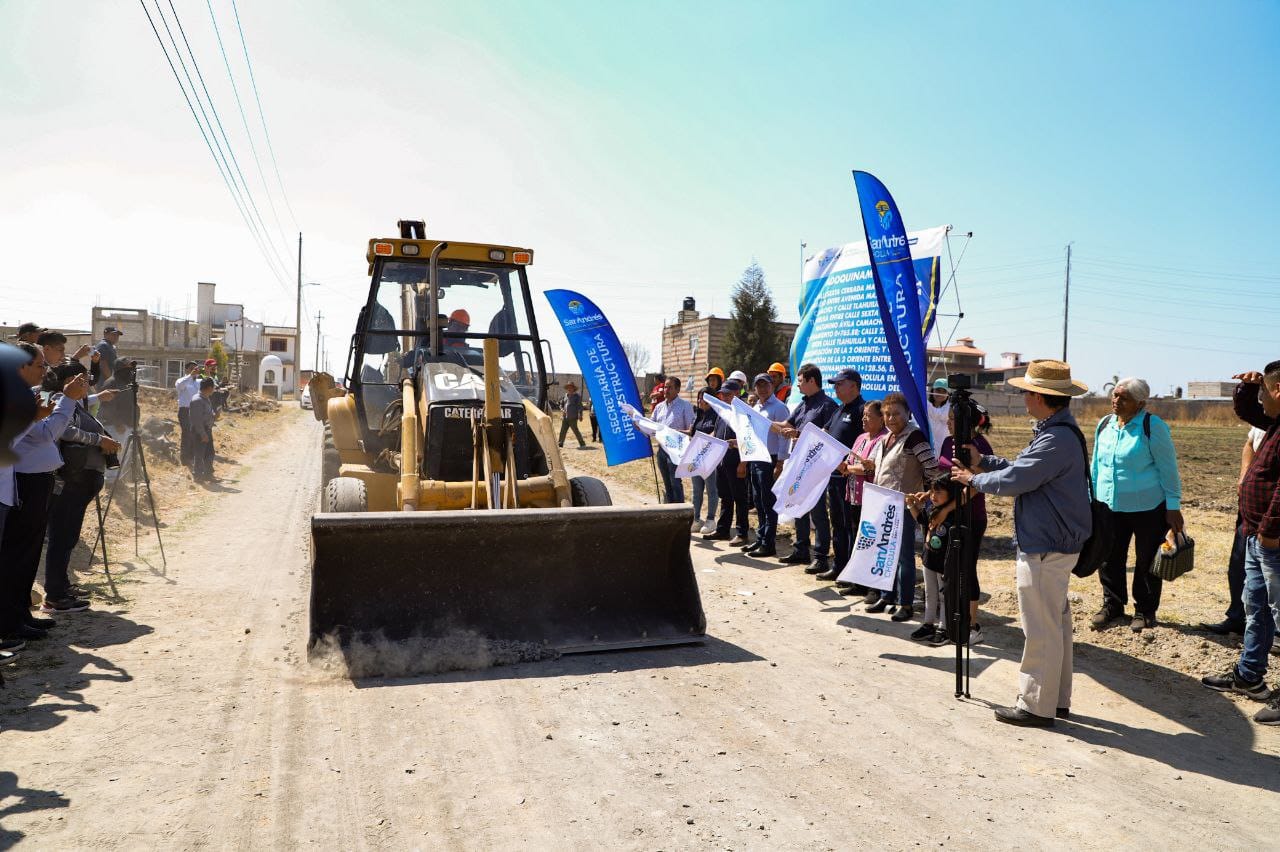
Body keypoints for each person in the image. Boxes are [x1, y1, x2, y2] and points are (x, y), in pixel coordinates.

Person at [951, 359, 1091, 727]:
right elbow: (1021, 468)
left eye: (1028, 392)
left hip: (1046, 545)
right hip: (1052, 542)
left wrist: (972, 479)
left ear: (1042, 397)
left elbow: (1018, 479)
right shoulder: (1055, 433)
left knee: (1040, 629)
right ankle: (1055, 700)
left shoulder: (1056, 438)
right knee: (1054, 626)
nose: (1024, 397)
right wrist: (985, 462)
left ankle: (1035, 705)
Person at [1201, 363, 1280, 727]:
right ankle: (1249, 675)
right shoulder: (1275, 424)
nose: (1261, 398)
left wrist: (1268, 531)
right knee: (1256, 608)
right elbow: (1249, 413)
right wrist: (1248, 388)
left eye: (1264, 391)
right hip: (1258, 536)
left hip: (1271, 539)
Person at [0, 344, 85, 647]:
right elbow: (47, 433)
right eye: (39, 366)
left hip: (33, 481)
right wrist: (64, 404)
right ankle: (10, 622)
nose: (44, 371)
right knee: (17, 555)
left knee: (28, 554)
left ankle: (21, 615)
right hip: (24, 482)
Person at [1089, 378, 1184, 633]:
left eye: (1124, 398)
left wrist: (1173, 505)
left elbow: (1168, 469)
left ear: (1140, 403)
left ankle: (1145, 610)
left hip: (1147, 507)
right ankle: (1113, 604)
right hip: (1109, 504)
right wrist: (1092, 498)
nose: (1116, 401)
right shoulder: (1105, 424)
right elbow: (1097, 466)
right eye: (1115, 395)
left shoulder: (1152, 427)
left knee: (1146, 560)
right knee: (1109, 557)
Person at [851, 392, 940, 621]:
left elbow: (932, 468)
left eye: (896, 414)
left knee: (903, 556)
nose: (891, 419)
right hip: (882, 503)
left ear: (907, 414)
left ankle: (906, 603)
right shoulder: (885, 439)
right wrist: (871, 466)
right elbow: (882, 469)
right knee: (883, 552)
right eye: (887, 414)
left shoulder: (915, 437)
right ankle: (886, 596)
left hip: (903, 506)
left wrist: (926, 494)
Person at [41, 361, 120, 613]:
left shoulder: (73, 403)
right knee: (61, 536)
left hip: (80, 482)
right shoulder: (56, 400)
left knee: (67, 537)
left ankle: (61, 587)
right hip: (68, 482)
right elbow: (63, 431)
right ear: (67, 382)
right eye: (81, 380)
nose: (86, 384)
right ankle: (55, 595)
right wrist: (99, 439)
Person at [937, 402, 995, 645]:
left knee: (966, 569)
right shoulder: (947, 442)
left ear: (967, 423)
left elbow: (973, 488)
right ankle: (949, 620)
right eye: (948, 418)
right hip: (948, 514)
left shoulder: (979, 447)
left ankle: (972, 626)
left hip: (970, 516)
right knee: (948, 568)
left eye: (952, 418)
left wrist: (946, 510)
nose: (948, 422)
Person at [1201, 425, 1267, 636]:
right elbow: (1249, 444)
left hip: (1273, 505)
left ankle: (1274, 631)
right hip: (1251, 504)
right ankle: (1237, 617)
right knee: (1239, 561)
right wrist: (1243, 476)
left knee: (1272, 568)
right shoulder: (1263, 415)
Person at [772, 363, 838, 572]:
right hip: (799, 464)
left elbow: (827, 437)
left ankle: (820, 556)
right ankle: (801, 548)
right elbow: (788, 424)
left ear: (811, 381)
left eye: (800, 381)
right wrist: (764, 422)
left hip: (816, 468)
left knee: (817, 512)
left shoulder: (827, 406)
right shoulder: (803, 404)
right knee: (797, 504)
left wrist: (797, 434)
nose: (797, 385)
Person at [838, 400, 888, 598]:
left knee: (870, 541)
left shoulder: (883, 439)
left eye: (868, 415)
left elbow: (871, 466)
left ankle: (872, 587)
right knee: (856, 538)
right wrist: (844, 466)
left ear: (881, 418)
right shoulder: (860, 438)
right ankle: (857, 582)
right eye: (864, 415)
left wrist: (849, 468)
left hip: (871, 498)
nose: (864, 418)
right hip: (853, 495)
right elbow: (852, 461)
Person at [906, 475, 958, 645]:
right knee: (930, 594)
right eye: (932, 492)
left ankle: (944, 628)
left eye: (939, 492)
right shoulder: (931, 509)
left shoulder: (954, 516)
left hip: (945, 563)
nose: (933, 496)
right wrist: (910, 505)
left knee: (944, 596)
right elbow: (921, 519)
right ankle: (928, 624)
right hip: (929, 560)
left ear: (951, 494)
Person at [742, 373, 790, 558]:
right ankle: (761, 538)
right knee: (759, 501)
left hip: (771, 458)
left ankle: (768, 544)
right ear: (754, 388)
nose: (762, 389)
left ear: (772, 386)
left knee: (768, 502)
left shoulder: (779, 408)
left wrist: (780, 462)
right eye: (759, 385)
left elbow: (784, 436)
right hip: (756, 457)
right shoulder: (756, 407)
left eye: (766, 385)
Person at [703, 380, 750, 545]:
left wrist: (743, 464)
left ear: (738, 394)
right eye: (722, 394)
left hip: (736, 460)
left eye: (728, 394)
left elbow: (748, 439)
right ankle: (723, 530)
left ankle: (742, 533)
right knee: (725, 496)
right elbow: (717, 432)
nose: (724, 397)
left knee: (740, 498)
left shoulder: (743, 414)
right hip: (722, 461)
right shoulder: (722, 412)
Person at [652, 376, 694, 503]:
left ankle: (680, 512)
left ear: (678, 389)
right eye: (665, 386)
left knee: (675, 482)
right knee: (666, 482)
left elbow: (691, 429)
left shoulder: (685, 406)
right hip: (662, 451)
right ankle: (670, 510)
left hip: (676, 450)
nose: (666, 390)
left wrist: (677, 433)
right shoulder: (659, 407)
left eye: (670, 387)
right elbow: (652, 425)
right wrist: (640, 424)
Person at [689, 387, 720, 534]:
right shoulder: (698, 414)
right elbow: (692, 433)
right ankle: (696, 519)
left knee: (711, 490)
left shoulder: (717, 415)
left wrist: (706, 441)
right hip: (696, 458)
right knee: (697, 490)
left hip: (710, 458)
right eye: (699, 397)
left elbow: (716, 433)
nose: (700, 401)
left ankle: (710, 520)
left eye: (703, 398)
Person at [190, 378, 218, 482]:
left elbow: (206, 414)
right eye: (213, 388)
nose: (214, 389)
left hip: (207, 429)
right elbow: (196, 420)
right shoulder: (197, 400)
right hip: (200, 431)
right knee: (199, 454)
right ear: (209, 388)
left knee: (210, 453)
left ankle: (208, 474)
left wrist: (215, 415)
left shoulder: (206, 398)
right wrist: (203, 434)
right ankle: (197, 476)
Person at [175, 361, 201, 467]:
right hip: (185, 411)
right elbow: (180, 386)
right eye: (191, 368)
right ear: (186, 370)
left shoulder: (199, 382)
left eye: (195, 368)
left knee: (195, 434)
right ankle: (185, 459)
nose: (194, 370)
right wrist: (190, 376)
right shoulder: (182, 380)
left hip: (197, 411)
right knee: (187, 434)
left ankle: (192, 457)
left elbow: (211, 385)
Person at [926, 378, 951, 458]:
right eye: (938, 390)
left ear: (948, 394)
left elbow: (939, 414)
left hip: (942, 447)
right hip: (926, 445)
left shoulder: (949, 408)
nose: (940, 394)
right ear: (932, 391)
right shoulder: (925, 406)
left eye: (944, 391)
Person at [557, 382, 586, 449]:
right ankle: (560, 443)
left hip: (573, 417)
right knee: (563, 430)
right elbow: (561, 404)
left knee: (575, 430)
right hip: (565, 417)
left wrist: (580, 415)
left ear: (573, 388)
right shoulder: (565, 396)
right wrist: (562, 410)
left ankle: (582, 443)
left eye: (571, 387)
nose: (569, 388)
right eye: (568, 387)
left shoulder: (577, 396)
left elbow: (580, 406)